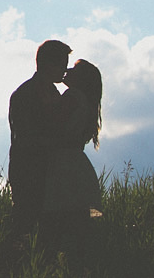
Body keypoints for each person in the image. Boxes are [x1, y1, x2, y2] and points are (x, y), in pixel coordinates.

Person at [8, 39, 71, 239]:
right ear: (46, 64)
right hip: (29, 172)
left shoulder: (54, 93)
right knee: (26, 227)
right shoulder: (25, 94)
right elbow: (25, 137)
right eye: (62, 65)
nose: (65, 70)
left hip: (49, 173)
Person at [42, 59, 103, 253]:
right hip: (76, 165)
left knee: (56, 224)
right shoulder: (85, 101)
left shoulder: (72, 96)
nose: (67, 70)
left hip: (63, 166)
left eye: (74, 70)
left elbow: (52, 127)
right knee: (76, 229)